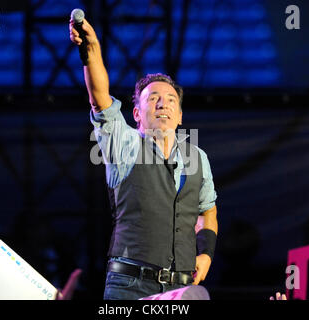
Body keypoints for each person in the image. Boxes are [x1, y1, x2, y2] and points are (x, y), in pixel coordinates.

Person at [69, 18, 218, 300]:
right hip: (130, 286)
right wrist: (91, 51)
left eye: (171, 100)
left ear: (181, 116)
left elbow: (207, 212)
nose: (163, 103)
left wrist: (206, 254)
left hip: (181, 287)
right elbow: (99, 98)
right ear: (136, 114)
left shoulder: (197, 157)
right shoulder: (124, 143)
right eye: (153, 99)